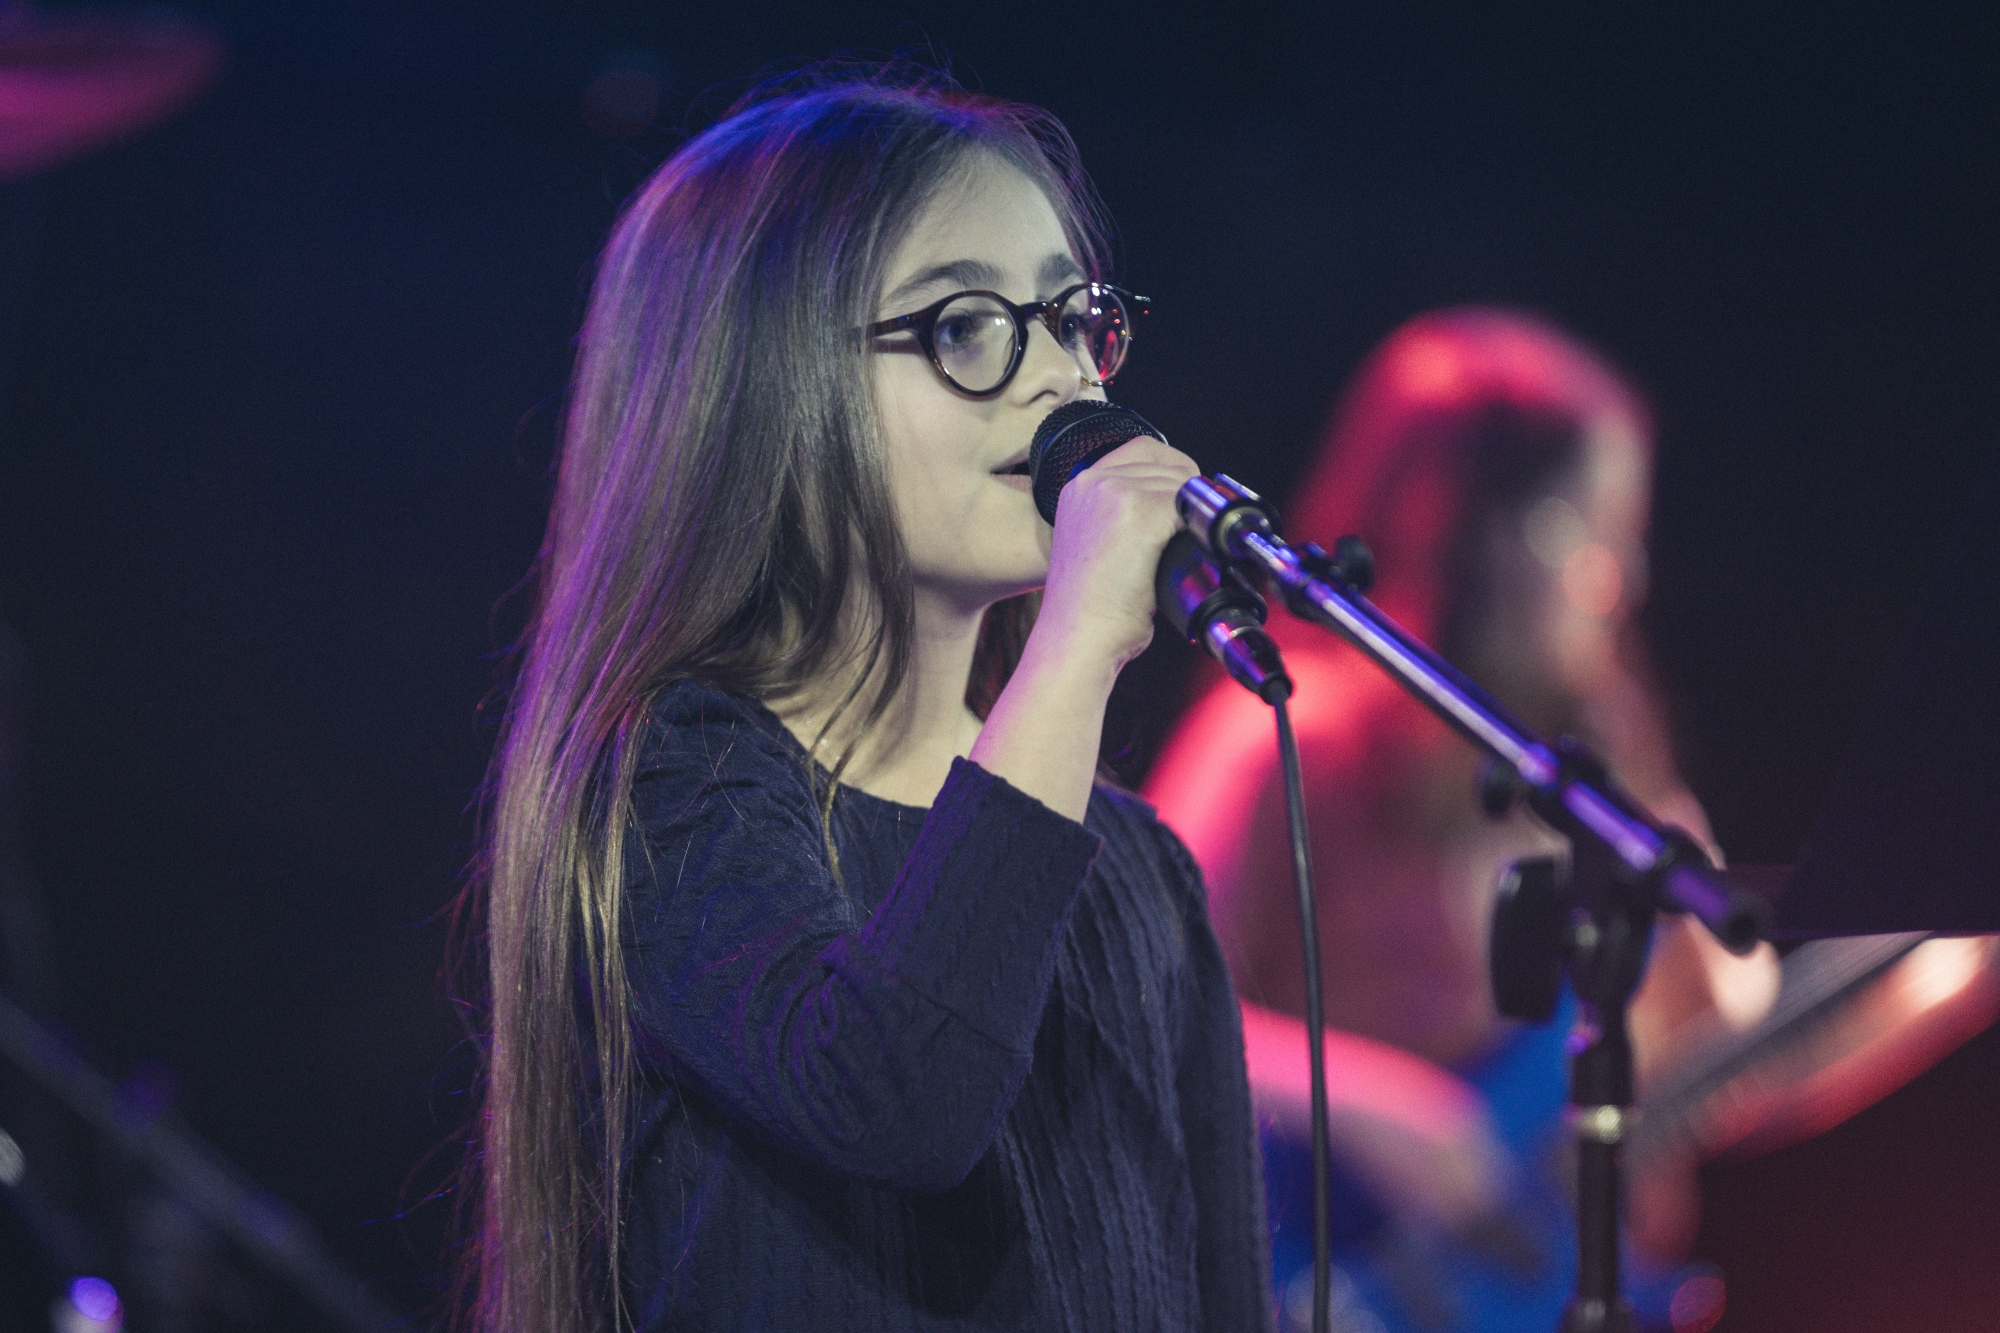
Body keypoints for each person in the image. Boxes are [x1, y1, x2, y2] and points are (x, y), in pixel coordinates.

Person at [457, 70, 1274, 1333]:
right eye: (964, 324)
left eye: (1074, 317)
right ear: (759, 383)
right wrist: (1080, 641)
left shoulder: (1136, 869)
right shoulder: (672, 782)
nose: (1058, 374)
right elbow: (895, 1092)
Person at [1146, 308, 2000, 1332]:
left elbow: (1727, 1069)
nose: (1616, 582)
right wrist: (1388, 1115)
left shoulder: (1615, 797)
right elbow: (1145, 997)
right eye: (1588, 534)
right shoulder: (1287, 731)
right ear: (1475, 531)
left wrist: (1947, 971)